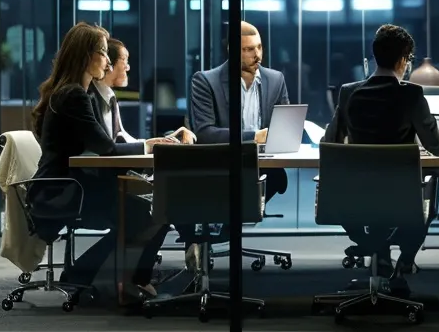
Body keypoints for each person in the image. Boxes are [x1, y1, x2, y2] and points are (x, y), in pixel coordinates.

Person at [27, 23, 179, 300]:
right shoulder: (73, 95)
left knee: (152, 210)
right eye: (103, 52)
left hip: (72, 186)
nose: (109, 61)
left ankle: (113, 278)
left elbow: (103, 147)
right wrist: (149, 145)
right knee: (150, 212)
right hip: (63, 192)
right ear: (86, 56)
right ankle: (87, 276)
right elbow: (106, 148)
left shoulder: (77, 93)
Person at [320, 24, 439, 294]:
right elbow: (437, 146)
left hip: (353, 197)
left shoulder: (348, 92)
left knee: (375, 206)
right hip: (400, 197)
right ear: (403, 59)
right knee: (430, 193)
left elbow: (329, 142)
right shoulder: (411, 94)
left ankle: (378, 254)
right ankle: (401, 263)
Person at [188, 21, 290, 201]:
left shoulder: (275, 80)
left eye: (259, 47)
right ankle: (230, 225)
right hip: (223, 162)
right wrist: (254, 137)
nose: (257, 55)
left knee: (272, 180)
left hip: (263, 164)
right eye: (249, 49)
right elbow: (204, 133)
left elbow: (284, 126)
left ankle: (231, 225)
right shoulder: (206, 81)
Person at [100, 37, 193, 152]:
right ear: (108, 63)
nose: (127, 67)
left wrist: (159, 142)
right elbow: (108, 148)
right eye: (124, 60)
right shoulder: (93, 98)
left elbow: (123, 138)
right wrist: (149, 146)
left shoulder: (110, 96)